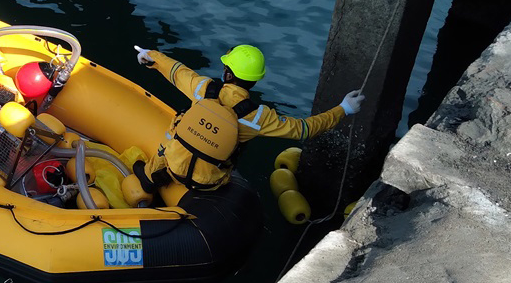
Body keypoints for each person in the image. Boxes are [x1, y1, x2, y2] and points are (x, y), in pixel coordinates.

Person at [122, 44, 364, 204]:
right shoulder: (259, 118)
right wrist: (343, 109)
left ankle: (152, 177)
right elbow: (305, 128)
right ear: (255, 81)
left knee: (179, 125)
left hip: (173, 164)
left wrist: (151, 56)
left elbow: (176, 71)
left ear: (227, 74)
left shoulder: (203, 88)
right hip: (208, 184)